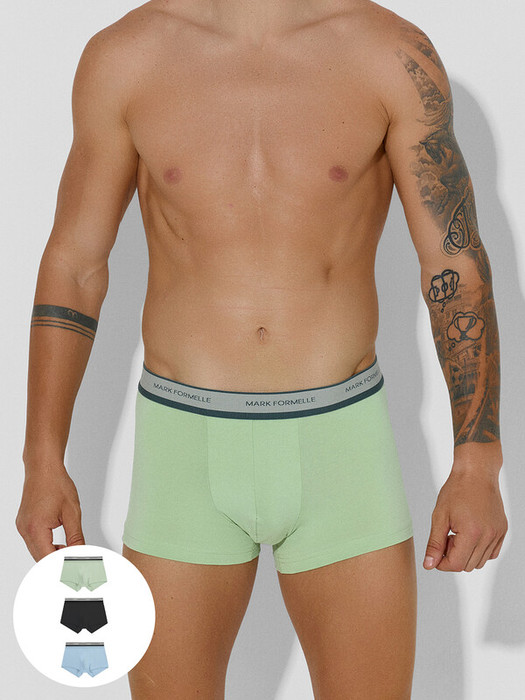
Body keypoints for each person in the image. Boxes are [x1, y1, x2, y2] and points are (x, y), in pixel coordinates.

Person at [16, 0, 508, 697]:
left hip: (342, 451)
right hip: (183, 451)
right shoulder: (127, 56)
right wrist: (42, 458)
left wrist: (478, 460)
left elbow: (452, 265)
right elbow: (75, 264)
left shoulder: (389, 53)